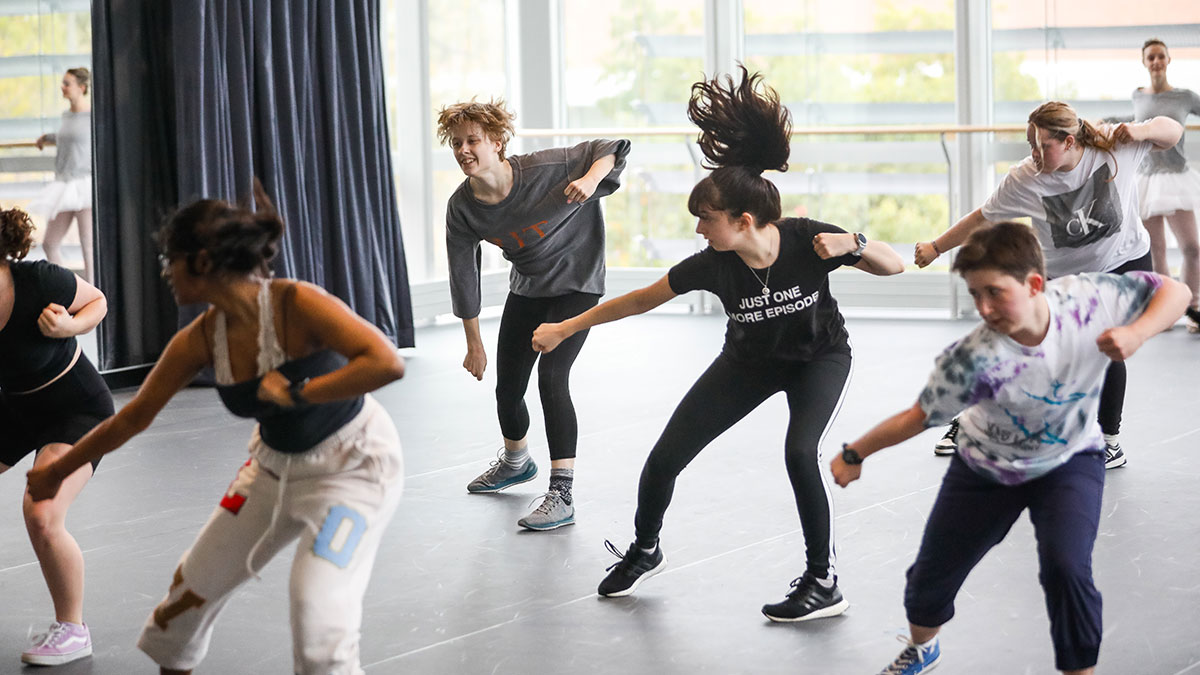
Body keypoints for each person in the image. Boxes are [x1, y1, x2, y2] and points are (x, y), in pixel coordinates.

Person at [531, 67, 905, 615]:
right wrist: (566, 327)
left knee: (800, 452)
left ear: (743, 219)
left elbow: (893, 267)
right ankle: (645, 548)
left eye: (706, 220)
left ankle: (822, 581)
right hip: (747, 363)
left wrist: (858, 241)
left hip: (817, 359)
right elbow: (640, 299)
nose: (700, 230)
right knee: (664, 459)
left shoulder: (807, 239)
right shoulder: (714, 264)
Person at [25, 185, 406, 675]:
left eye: (170, 259)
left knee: (320, 630)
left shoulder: (295, 302)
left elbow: (386, 362)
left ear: (201, 262)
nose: (165, 271)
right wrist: (59, 471)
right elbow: (134, 417)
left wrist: (298, 393)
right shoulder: (202, 338)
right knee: (177, 615)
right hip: (270, 471)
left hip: (353, 471)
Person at [831, 222, 1189, 675]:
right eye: (974, 294)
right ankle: (923, 648)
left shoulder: (1089, 300)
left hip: (1069, 460)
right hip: (985, 468)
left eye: (994, 293)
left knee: (1067, 569)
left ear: (1035, 284)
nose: (983, 308)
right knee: (930, 577)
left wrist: (1137, 333)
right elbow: (918, 417)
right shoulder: (972, 359)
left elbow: (1174, 292)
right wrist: (854, 453)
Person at [914, 101, 1183, 467]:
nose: (1036, 154)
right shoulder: (1025, 178)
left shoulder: (1111, 145)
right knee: (1016, 341)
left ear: (1071, 142)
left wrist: (1142, 130)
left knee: (1105, 345)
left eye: (1044, 146)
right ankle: (971, 421)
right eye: (1031, 145)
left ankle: (1108, 441)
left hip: (1123, 262)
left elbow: (1173, 131)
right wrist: (935, 247)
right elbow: (982, 217)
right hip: (1062, 275)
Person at [438, 98, 631, 531]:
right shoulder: (463, 207)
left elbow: (612, 145)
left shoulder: (546, 169)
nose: (463, 150)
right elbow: (462, 275)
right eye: (456, 143)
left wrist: (590, 177)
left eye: (473, 140)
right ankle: (516, 462)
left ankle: (562, 492)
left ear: (498, 142)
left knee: (552, 376)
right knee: (508, 388)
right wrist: (474, 343)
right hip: (529, 288)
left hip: (578, 284)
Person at [0, 206, 113, 667]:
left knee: (42, 512)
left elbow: (98, 301)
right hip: (16, 407)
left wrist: (70, 326)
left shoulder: (39, 281)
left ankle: (72, 629)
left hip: (77, 409)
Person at [1115, 39, 1200, 331]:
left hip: (1177, 178)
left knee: (1192, 247)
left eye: (1160, 56)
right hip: (1147, 179)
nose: (1156, 62)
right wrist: (1109, 122)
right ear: (1144, 62)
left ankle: (1193, 306)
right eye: (1150, 57)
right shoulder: (1137, 96)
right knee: (1156, 250)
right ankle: (1164, 309)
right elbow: (1137, 120)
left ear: (1168, 59)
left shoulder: (1184, 97)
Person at [31, 67, 94, 284]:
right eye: (63, 83)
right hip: (65, 184)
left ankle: (96, 297)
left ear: (82, 88)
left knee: (89, 247)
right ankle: (63, 287)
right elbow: (67, 138)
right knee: (50, 242)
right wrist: (47, 137)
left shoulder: (93, 117)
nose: (63, 87)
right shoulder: (67, 116)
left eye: (67, 83)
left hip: (84, 184)